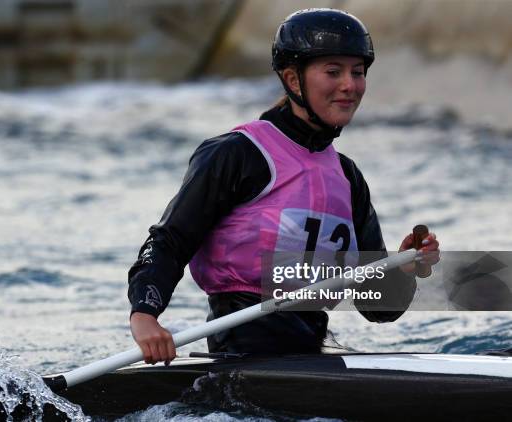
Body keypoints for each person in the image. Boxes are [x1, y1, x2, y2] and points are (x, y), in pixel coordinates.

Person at [127, 8, 440, 364]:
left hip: (312, 351)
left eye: (357, 72)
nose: (350, 85)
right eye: (333, 72)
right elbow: (169, 240)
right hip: (242, 348)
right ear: (293, 80)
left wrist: (401, 270)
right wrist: (145, 315)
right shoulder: (238, 153)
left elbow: (378, 308)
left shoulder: (347, 176)